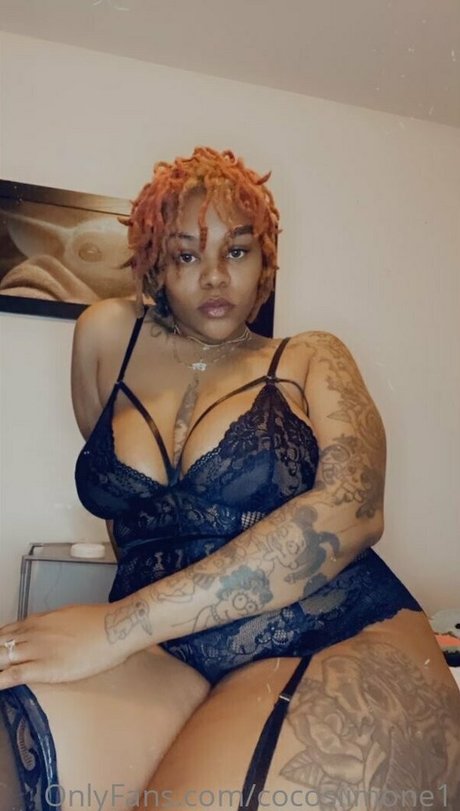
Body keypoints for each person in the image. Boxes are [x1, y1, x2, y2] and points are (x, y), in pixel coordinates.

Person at [0, 145, 458, 811]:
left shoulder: (311, 356)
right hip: (168, 649)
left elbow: (353, 510)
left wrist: (115, 627)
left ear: (264, 261)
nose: (214, 275)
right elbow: (129, 515)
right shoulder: (105, 338)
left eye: (236, 251)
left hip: (325, 627)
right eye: (186, 255)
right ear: (157, 265)